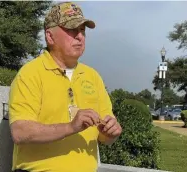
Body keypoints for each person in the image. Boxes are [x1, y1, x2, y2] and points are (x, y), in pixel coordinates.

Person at [8, 2, 122, 172]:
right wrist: (71, 127)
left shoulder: (93, 77)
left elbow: (104, 137)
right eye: (71, 30)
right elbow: (20, 132)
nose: (80, 36)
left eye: (82, 30)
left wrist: (112, 132)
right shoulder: (30, 74)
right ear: (50, 37)